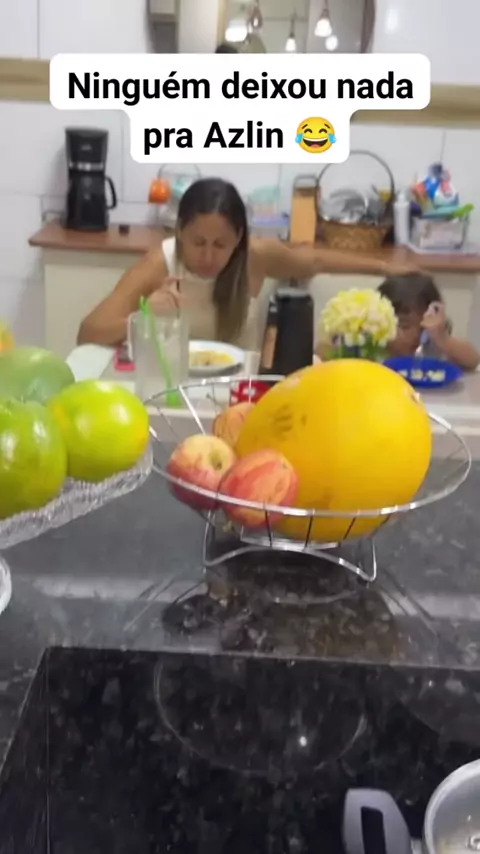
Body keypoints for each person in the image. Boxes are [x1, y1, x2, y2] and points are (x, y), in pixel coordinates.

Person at [77, 177, 416, 350]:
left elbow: (312, 260)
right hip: (173, 393)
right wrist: (142, 317)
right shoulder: (160, 262)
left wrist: (384, 268)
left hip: (240, 395)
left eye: (220, 245)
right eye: (197, 242)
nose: (208, 257)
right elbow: (88, 333)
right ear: (179, 232)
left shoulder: (255, 256)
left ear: (239, 238)